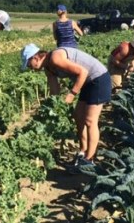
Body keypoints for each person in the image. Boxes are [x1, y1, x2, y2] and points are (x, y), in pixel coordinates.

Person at [21, 43, 112, 171]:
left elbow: (83, 72)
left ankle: (89, 160)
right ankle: (83, 152)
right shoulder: (48, 68)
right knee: (78, 116)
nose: (30, 68)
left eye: (29, 64)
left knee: (90, 120)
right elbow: (54, 90)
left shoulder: (55, 58)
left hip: (98, 78)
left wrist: (72, 94)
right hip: (87, 82)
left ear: (35, 57)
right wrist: (52, 106)